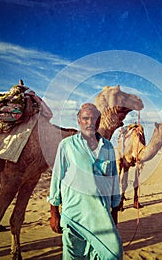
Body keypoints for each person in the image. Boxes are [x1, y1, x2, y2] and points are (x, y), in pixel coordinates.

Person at [47, 103, 123, 260]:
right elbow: (57, 178)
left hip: (101, 217)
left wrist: (114, 211)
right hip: (74, 216)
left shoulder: (108, 147)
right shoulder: (66, 146)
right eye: (85, 118)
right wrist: (54, 212)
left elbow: (114, 179)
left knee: (114, 254)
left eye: (94, 118)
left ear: (99, 120)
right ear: (79, 120)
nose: (89, 122)